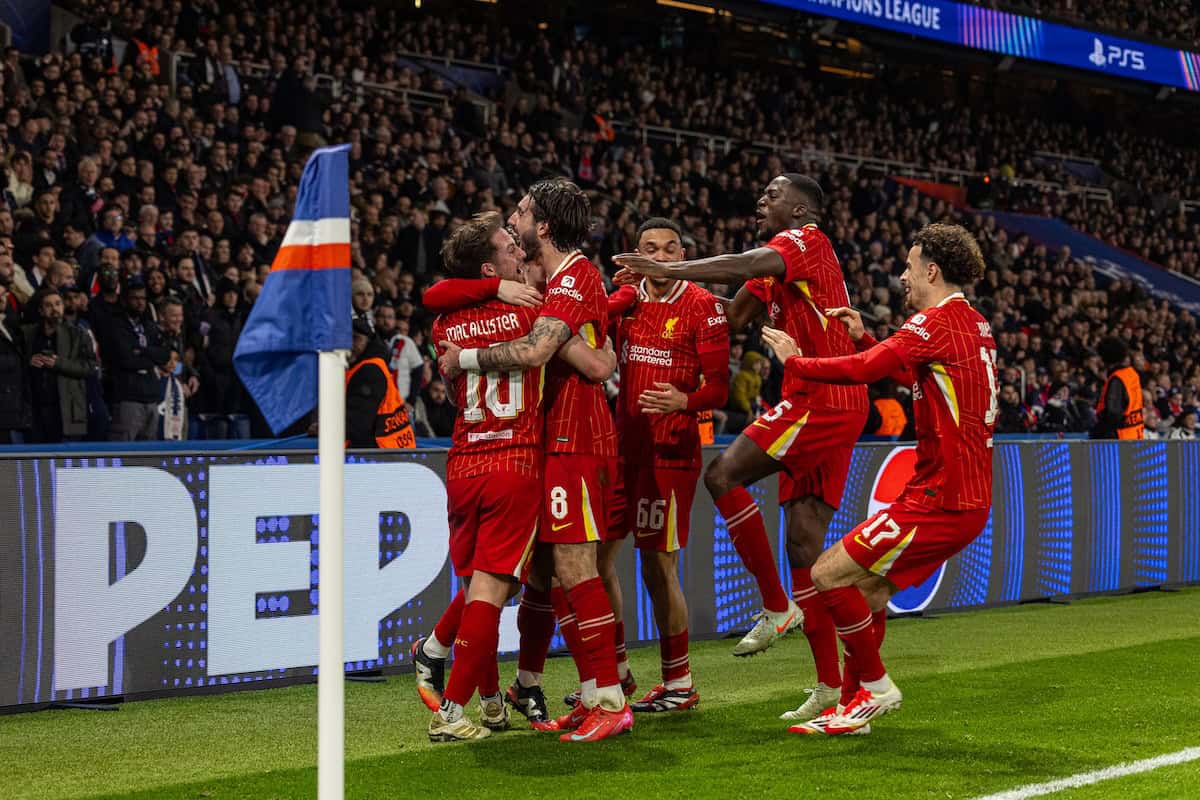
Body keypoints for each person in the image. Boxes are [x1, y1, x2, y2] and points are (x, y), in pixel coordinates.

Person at [614, 172, 867, 711]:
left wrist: (668, 269)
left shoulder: (807, 241)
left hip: (820, 398)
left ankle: (776, 606)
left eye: (772, 195)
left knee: (722, 475)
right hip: (834, 402)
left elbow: (749, 263)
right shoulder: (778, 273)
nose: (760, 198)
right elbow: (727, 314)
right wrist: (666, 293)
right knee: (804, 547)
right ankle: (830, 687)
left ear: (799, 212)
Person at [760, 222, 996, 736]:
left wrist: (796, 361)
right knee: (865, 595)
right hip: (960, 496)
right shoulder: (973, 325)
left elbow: (865, 369)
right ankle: (853, 708)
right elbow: (914, 373)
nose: (902, 277)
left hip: (942, 498)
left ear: (932, 270)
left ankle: (876, 685)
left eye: (910, 267)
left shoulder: (934, 323)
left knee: (825, 574)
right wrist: (864, 334)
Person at [435, 181, 631, 741]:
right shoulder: (546, 283)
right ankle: (587, 691)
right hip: (545, 442)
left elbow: (541, 349)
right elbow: (445, 292)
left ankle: (612, 699)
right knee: (544, 572)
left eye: (521, 211)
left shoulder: (574, 275)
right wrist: (593, 355)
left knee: (576, 569)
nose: (514, 219)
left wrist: (463, 356)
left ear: (543, 227)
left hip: (577, 440)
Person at [604, 217, 729, 713]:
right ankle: (613, 673)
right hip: (621, 448)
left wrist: (684, 400)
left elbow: (718, 387)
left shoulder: (703, 307)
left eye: (670, 249)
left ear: (684, 255)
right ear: (636, 254)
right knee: (594, 559)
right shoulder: (627, 303)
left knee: (658, 564)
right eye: (649, 248)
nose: (660, 256)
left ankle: (678, 682)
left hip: (671, 453)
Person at [21, 289, 95, 442]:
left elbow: (90, 366)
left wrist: (59, 363)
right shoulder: (27, 334)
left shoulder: (79, 334)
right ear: (41, 311)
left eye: (58, 304)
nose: (55, 309)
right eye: (48, 305)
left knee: (67, 463)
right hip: (35, 412)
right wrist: (28, 362)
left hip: (66, 411)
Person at [108, 279, 171, 441]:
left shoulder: (150, 326)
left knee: (148, 453)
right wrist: (153, 358)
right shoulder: (115, 325)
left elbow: (165, 355)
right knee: (123, 451)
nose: (140, 303)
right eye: (135, 298)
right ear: (125, 301)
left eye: (143, 298)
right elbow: (126, 359)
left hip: (151, 397)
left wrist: (142, 351)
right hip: (127, 398)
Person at [342, 318, 415, 449]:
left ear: (368, 341)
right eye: (346, 338)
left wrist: (326, 429)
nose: (350, 344)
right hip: (395, 449)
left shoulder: (369, 371)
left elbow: (357, 424)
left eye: (356, 338)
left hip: (381, 454)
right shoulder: (371, 365)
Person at [1092, 337, 1144, 440]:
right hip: (1135, 434)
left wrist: (1097, 433)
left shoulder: (1117, 379)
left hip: (1119, 440)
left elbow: (1114, 414)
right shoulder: (1132, 373)